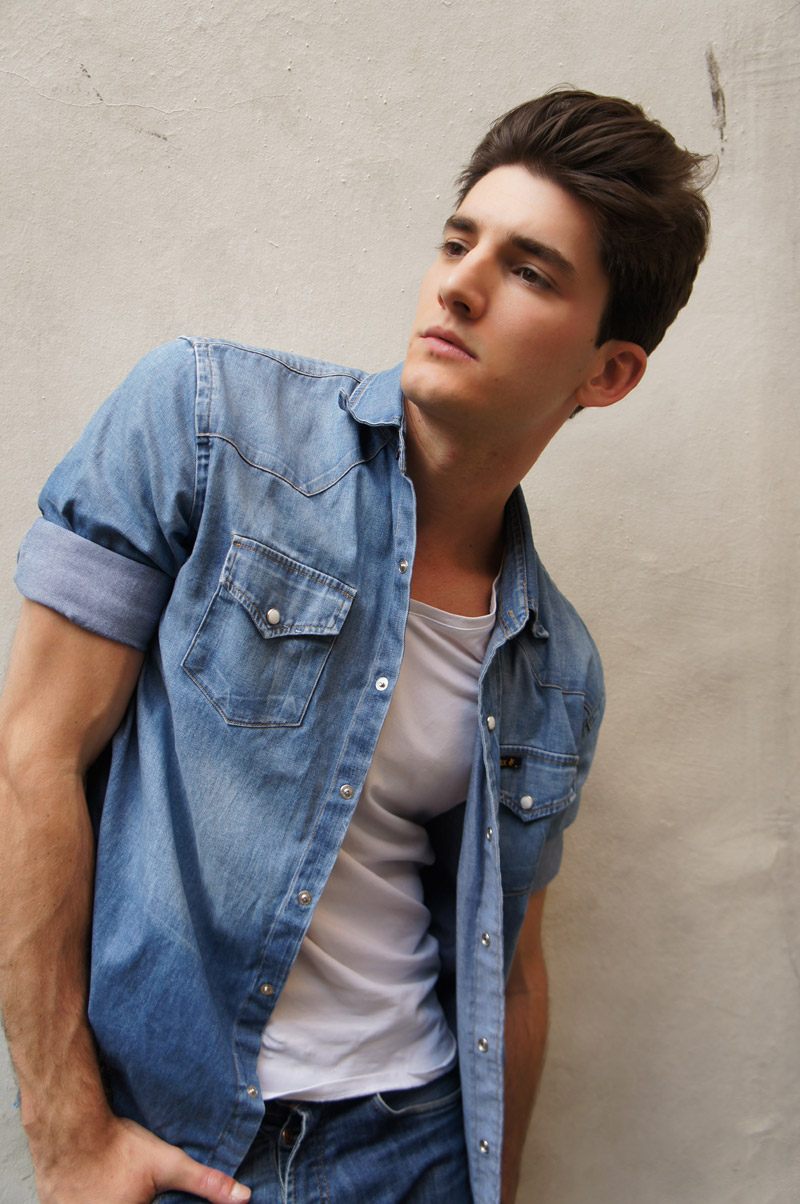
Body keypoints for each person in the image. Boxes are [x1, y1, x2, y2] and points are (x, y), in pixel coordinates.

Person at [0, 89, 711, 1204]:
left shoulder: (556, 667)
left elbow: (511, 974)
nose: (458, 285)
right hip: (179, 1143)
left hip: (411, 1152)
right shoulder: (205, 425)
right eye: (457, 242)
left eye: (529, 272)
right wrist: (67, 1131)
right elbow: (28, 758)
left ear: (606, 372)